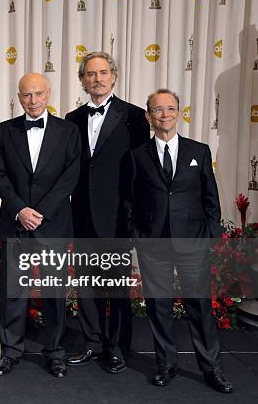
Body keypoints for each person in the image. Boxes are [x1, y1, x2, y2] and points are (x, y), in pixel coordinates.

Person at [126, 89, 233, 393]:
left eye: (170, 109)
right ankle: (166, 364)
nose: (165, 115)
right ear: (149, 116)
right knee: (159, 307)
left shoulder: (199, 152)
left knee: (200, 307)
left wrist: (211, 235)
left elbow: (211, 198)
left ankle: (211, 368)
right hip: (153, 243)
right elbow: (129, 201)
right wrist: (137, 236)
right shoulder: (137, 156)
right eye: (158, 110)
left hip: (193, 243)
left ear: (179, 113)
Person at [64, 52, 150, 373]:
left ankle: (117, 348)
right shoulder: (71, 119)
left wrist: (135, 215)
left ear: (113, 76)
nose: (96, 79)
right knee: (87, 285)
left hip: (118, 216)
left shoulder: (135, 117)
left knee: (115, 287)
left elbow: (141, 170)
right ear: (82, 80)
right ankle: (93, 343)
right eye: (90, 74)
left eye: (102, 73)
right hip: (83, 213)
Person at [0, 73, 81, 378]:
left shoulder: (69, 131)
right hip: (16, 222)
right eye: (27, 95)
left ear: (48, 94)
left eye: (38, 94)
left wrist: (39, 212)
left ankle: (55, 352)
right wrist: (20, 210)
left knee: (54, 293)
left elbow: (70, 176)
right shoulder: (4, 130)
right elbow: (0, 174)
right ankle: (11, 350)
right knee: (13, 292)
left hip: (52, 222)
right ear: (19, 97)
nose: (32, 101)